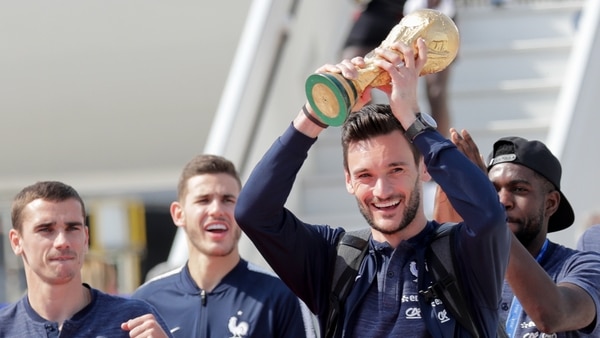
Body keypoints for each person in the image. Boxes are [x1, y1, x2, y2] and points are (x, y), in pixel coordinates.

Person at [235, 39, 510, 337]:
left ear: (423, 169)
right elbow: (253, 212)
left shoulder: (464, 253)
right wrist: (317, 111)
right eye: (365, 175)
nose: (382, 190)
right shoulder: (333, 259)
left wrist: (411, 118)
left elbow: (489, 214)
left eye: (396, 169)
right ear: (348, 180)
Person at [434, 129, 600, 337]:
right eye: (491, 190)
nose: (502, 201)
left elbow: (552, 315)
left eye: (519, 189)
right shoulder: (469, 271)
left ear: (550, 203)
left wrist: (487, 211)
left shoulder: (583, 266)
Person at [131, 154, 314, 337]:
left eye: (228, 200)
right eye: (203, 200)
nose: (217, 210)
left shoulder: (281, 296)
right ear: (178, 214)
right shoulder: (146, 302)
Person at [0, 181, 172, 337]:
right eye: (46, 229)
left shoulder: (133, 320)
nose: (62, 242)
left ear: (86, 238)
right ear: (16, 242)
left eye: (72, 228)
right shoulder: (5, 328)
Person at [341, 0, 456, 137]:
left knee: (436, 90)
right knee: (351, 66)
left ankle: (438, 153)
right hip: (383, 8)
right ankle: (371, 136)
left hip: (428, 12)